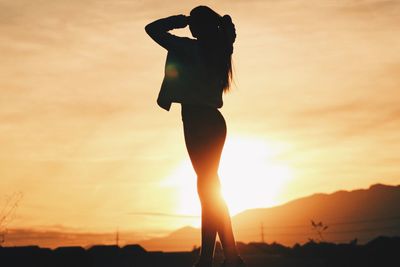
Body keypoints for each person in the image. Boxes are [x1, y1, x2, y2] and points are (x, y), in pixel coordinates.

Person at [145, 6, 246, 267]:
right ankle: (229, 256)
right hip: (213, 121)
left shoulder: (189, 48)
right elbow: (227, 34)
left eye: (193, 20)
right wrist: (202, 22)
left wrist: (180, 20)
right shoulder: (222, 49)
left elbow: (152, 29)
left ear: (197, 25)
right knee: (211, 188)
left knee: (207, 188)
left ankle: (207, 258)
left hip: (197, 121)